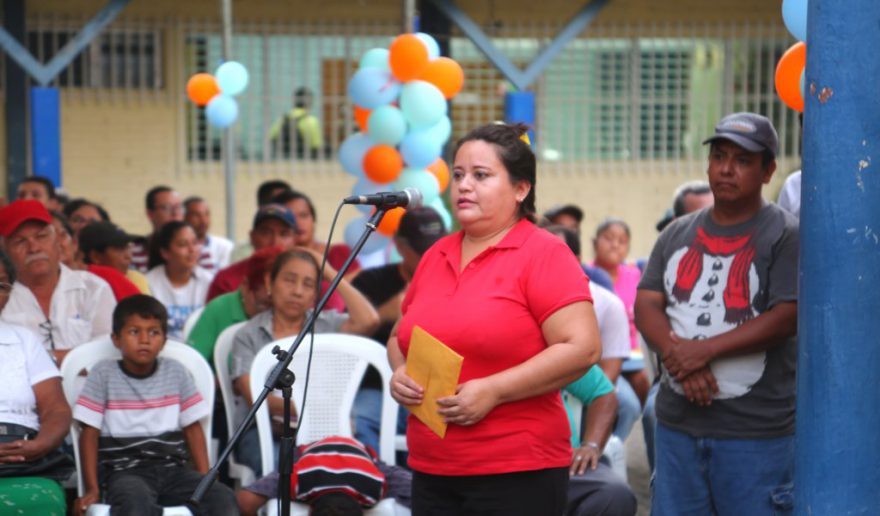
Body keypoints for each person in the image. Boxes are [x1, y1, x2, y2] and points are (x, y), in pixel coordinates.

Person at [389, 123, 600, 515]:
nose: (464, 186)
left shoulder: (544, 253)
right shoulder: (435, 254)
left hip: (517, 468)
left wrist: (495, 390)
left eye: (481, 175)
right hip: (433, 467)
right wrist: (400, 370)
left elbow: (582, 348)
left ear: (521, 189)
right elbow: (400, 335)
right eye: (458, 175)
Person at [636, 112, 799, 515]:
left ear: (768, 171)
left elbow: (786, 316)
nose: (726, 169)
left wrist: (704, 350)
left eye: (743, 160)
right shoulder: (676, 232)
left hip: (755, 435)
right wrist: (681, 359)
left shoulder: (785, 233)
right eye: (719, 156)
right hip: (677, 428)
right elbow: (647, 302)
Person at [72, 294, 237, 516]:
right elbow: (89, 433)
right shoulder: (103, 374)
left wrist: (204, 477)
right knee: (135, 504)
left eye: (153, 332)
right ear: (116, 339)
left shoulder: (176, 372)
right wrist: (91, 489)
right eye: (134, 332)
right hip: (124, 472)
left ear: (164, 341)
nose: (144, 340)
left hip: (174, 471)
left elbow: (193, 428)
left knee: (222, 498)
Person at [230, 248, 379, 474]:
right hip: (265, 432)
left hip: (324, 432)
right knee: (284, 471)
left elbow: (369, 320)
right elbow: (257, 398)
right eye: (289, 280)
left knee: (353, 469)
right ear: (270, 282)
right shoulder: (248, 335)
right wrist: (320, 411)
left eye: (308, 284)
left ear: (315, 294)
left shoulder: (327, 325)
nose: (298, 291)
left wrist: (329, 272)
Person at [350, 206, 447, 451]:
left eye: (437, 248)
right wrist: (386, 313)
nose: (431, 256)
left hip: (439, 387)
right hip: (378, 386)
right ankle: (372, 473)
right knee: (358, 420)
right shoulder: (371, 281)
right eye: (423, 250)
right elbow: (342, 337)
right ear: (400, 246)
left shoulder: (456, 280)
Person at [543, 224, 638, 444]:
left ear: (576, 260)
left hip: (594, 371)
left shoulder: (608, 303)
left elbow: (608, 376)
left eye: (553, 256)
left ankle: (611, 448)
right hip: (555, 375)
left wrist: (591, 446)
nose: (543, 264)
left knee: (628, 404)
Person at [642, 179, 714, 471]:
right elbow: (650, 318)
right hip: (674, 375)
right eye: (697, 216)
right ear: (678, 222)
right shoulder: (665, 264)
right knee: (653, 412)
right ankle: (661, 487)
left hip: (740, 380)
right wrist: (686, 369)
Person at [0, 250, 73, 516]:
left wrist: (40, 445)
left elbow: (56, 409)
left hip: (24, 459)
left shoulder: (24, 340)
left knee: (43, 501)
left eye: (1, 286)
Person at [0, 200, 116, 364]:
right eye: (20, 241)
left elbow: (108, 354)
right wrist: (77, 358)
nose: (34, 248)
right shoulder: (3, 297)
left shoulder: (94, 289)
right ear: (4, 251)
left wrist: (43, 360)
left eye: (41, 236)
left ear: (57, 242)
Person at [237, 435, 412, 516]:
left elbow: (245, 504)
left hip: (360, 456)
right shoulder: (298, 480)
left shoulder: (375, 487)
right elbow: (244, 503)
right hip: (310, 455)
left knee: (421, 491)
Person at [590, 218, 651, 439]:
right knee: (626, 402)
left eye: (622, 241)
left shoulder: (635, 275)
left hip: (631, 354)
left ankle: (618, 442)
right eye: (609, 238)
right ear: (595, 242)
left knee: (644, 385)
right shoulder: (587, 274)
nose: (615, 245)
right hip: (601, 354)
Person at [187, 246, 280, 368]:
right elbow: (191, 362)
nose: (270, 312)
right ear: (245, 286)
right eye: (265, 304)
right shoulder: (219, 309)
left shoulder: (289, 313)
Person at [563, 365, 637, 516]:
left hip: (564, 462)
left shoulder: (551, 353)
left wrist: (591, 446)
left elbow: (602, 392)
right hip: (514, 470)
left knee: (615, 495)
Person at [207, 204, 298, 302]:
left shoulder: (306, 277)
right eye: (266, 233)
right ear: (252, 237)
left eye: (284, 234)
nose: (275, 242)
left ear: (295, 240)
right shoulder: (226, 279)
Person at [49, 212, 140, 302]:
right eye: (44, 236)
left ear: (74, 243)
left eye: (62, 235)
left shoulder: (109, 277)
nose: (57, 242)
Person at [145, 221, 212, 340]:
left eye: (195, 243)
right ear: (165, 253)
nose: (192, 249)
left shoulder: (208, 281)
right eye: (183, 244)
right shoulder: (149, 282)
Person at [78, 221, 151, 294]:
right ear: (96, 256)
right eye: (120, 248)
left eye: (128, 247)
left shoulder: (134, 279)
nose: (128, 256)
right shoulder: (80, 289)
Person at [131, 186, 184, 273]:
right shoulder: (134, 252)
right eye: (166, 208)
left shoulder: (196, 249)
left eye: (178, 207)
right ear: (150, 214)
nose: (175, 213)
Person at [269, 87, 325, 160]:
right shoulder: (312, 121)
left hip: (283, 160)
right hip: (305, 161)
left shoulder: (282, 119)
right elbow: (317, 145)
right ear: (310, 102)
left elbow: (272, 138)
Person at [184, 196, 234, 274]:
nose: (203, 220)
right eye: (196, 215)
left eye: (206, 214)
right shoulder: (177, 249)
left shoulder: (226, 247)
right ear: (184, 217)